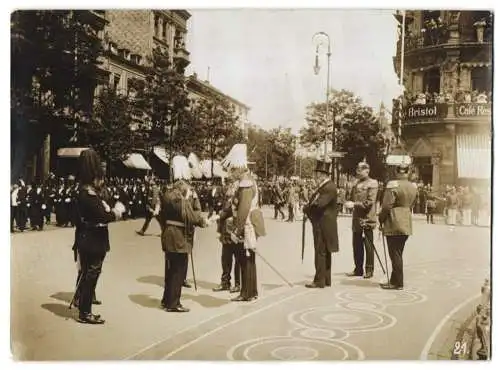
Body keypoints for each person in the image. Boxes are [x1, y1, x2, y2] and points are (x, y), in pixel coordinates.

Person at [73, 149, 124, 324]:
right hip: (94, 239)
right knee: (92, 274)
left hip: (87, 236)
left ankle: (83, 307)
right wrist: (116, 212)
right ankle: (85, 312)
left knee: (88, 273)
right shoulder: (88, 194)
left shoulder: (82, 191)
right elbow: (102, 216)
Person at [160, 180, 208, 312]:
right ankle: (174, 303)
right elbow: (191, 217)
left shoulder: (167, 197)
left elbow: (160, 216)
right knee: (178, 271)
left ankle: (166, 299)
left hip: (168, 234)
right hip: (179, 238)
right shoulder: (181, 200)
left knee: (170, 270)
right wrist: (203, 222)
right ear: (182, 190)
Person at [378, 164, 417, 290]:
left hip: (394, 221)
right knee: (398, 252)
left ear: (397, 172)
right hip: (406, 220)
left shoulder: (393, 185)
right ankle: (394, 280)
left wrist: (381, 219)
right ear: (407, 172)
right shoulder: (412, 186)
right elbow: (413, 204)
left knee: (394, 253)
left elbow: (386, 206)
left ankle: (398, 282)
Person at [229, 166, 265, 301]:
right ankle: (251, 291)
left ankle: (246, 293)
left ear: (240, 169)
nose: (231, 173)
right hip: (251, 222)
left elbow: (243, 210)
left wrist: (237, 231)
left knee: (245, 259)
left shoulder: (246, 185)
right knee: (250, 259)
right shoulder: (249, 182)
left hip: (247, 224)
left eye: (233, 170)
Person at [303, 160, 339, 288]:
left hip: (323, 224)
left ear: (323, 175)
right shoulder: (325, 186)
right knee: (325, 251)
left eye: (317, 174)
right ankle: (325, 279)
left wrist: (307, 208)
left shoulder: (328, 187)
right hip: (323, 223)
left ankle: (319, 280)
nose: (316, 177)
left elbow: (319, 204)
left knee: (320, 252)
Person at [347, 162, 379, 279]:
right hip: (357, 218)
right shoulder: (356, 183)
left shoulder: (373, 183)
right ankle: (358, 269)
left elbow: (370, 202)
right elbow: (351, 197)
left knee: (368, 245)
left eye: (360, 170)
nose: (358, 172)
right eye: (357, 170)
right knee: (356, 245)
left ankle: (369, 269)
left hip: (367, 218)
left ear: (367, 170)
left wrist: (354, 204)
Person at [213, 179, 242, 293]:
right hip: (226, 233)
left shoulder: (236, 198)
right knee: (225, 259)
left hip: (234, 232)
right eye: (228, 184)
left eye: (231, 184)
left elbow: (228, 211)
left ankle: (238, 284)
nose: (229, 186)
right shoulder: (226, 198)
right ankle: (225, 282)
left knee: (237, 259)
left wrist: (218, 216)